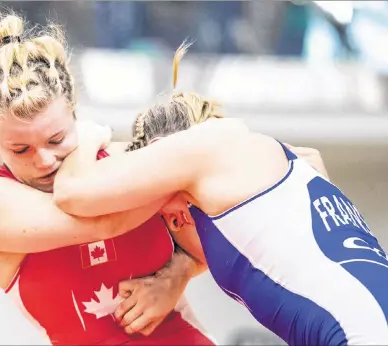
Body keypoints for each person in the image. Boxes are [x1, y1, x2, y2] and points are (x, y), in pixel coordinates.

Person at [53, 42, 388, 345]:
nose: (170, 220)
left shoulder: (201, 152)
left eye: (164, 219)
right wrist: (176, 274)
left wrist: (85, 136)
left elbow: (72, 192)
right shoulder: (283, 166)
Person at [0, 15, 214, 345]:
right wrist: (89, 141)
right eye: (20, 150)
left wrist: (174, 278)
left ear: (73, 109)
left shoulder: (123, 161)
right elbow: (98, 218)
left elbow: (204, 241)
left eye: (56, 138)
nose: (45, 160)